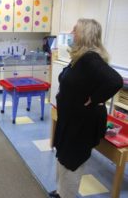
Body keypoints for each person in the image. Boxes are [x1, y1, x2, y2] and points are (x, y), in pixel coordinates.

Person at [49, 19, 123, 198]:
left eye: (75, 30)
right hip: (70, 120)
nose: (71, 33)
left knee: (72, 162)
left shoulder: (91, 58)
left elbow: (115, 81)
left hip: (81, 124)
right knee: (62, 157)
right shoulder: (80, 57)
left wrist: (95, 99)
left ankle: (66, 195)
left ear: (84, 35)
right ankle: (61, 192)